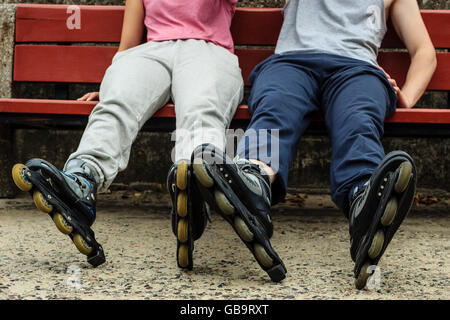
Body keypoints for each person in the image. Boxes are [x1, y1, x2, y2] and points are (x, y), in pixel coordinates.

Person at [192, 0, 436, 288]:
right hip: (291, 62)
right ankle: (253, 181)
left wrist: (406, 96)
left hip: (357, 69)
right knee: (274, 109)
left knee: (357, 121)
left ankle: (365, 201)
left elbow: (424, 52)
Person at [11, 0, 244, 270]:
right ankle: (82, 182)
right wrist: (113, 86)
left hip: (207, 51)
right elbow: (129, 45)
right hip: (152, 53)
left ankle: (196, 185)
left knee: (202, 108)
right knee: (115, 105)